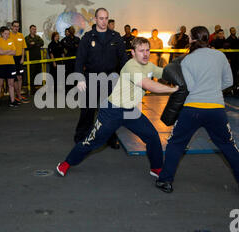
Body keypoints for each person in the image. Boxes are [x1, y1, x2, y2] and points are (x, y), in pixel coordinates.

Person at [155, 26, 239, 198]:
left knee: (176, 143)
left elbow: (191, 87)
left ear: (193, 39)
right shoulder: (220, 55)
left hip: (193, 108)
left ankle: (165, 180)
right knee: (228, 146)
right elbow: (228, 81)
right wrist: (212, 89)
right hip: (216, 109)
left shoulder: (187, 60)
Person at [56, 37, 178, 178]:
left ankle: (156, 168)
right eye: (141, 51)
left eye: (147, 50)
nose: (145, 54)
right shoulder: (131, 66)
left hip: (131, 111)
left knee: (152, 136)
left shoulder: (149, 66)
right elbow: (148, 85)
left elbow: (164, 73)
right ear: (132, 52)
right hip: (112, 111)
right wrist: (172, 90)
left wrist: (181, 74)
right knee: (91, 141)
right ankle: (66, 163)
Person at [72, 7, 128, 148]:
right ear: (96, 19)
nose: (104, 21)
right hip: (91, 77)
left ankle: (110, 138)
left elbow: (123, 59)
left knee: (109, 111)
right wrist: (79, 78)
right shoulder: (87, 37)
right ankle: (81, 136)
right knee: (88, 110)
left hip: (110, 79)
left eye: (106, 18)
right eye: (101, 18)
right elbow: (79, 59)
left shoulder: (116, 37)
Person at [0, 26, 18, 107]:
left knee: (11, 84)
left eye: (8, 33)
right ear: (2, 33)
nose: (7, 35)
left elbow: (14, 52)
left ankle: (12, 101)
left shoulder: (11, 41)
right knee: (0, 84)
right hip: (1, 65)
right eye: (5, 33)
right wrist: (9, 51)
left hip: (11, 65)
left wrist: (5, 51)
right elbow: (0, 52)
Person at [9, 21, 29, 103]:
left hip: (19, 58)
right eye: (15, 26)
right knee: (13, 79)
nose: (16, 28)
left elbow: (23, 48)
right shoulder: (8, 35)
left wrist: (22, 58)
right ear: (11, 27)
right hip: (11, 58)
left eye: (18, 26)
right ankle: (16, 95)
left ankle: (19, 94)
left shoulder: (21, 35)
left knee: (20, 77)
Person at [25, 25, 44, 93]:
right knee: (32, 74)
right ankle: (32, 89)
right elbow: (27, 46)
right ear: (30, 30)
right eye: (33, 29)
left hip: (38, 58)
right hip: (31, 59)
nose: (34, 30)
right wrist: (33, 45)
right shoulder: (27, 38)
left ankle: (38, 88)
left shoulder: (38, 37)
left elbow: (42, 43)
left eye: (35, 29)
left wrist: (34, 43)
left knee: (38, 73)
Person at [61, 26, 80, 90]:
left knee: (76, 73)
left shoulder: (77, 39)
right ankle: (68, 89)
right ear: (68, 31)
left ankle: (76, 87)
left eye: (73, 30)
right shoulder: (65, 40)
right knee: (68, 74)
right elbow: (68, 47)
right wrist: (74, 46)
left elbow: (78, 48)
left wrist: (73, 46)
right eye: (70, 30)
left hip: (76, 60)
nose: (72, 31)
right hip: (68, 60)